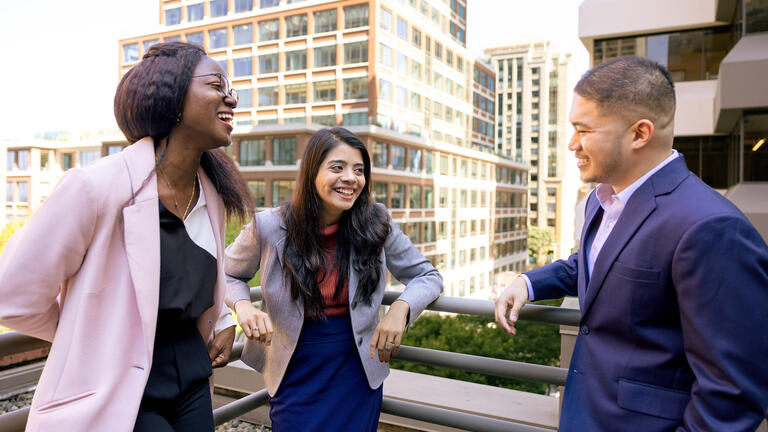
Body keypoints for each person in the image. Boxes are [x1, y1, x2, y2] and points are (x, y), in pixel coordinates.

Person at [495, 56, 768, 431]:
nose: (572, 144)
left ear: (640, 133)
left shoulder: (713, 228)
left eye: (584, 130)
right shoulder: (599, 199)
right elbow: (593, 265)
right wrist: (527, 282)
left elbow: (733, 395)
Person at [0, 42, 253, 431]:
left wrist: (222, 318)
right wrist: (97, 335)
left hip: (193, 374)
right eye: (217, 84)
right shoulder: (94, 187)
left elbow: (194, 278)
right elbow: (13, 296)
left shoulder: (213, 194)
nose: (231, 98)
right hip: (118, 385)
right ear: (171, 95)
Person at [225, 127, 443, 431]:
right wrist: (243, 307)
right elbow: (226, 272)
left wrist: (400, 308)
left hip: (357, 370)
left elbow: (428, 275)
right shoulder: (269, 225)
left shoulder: (377, 222)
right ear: (312, 172)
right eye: (337, 168)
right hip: (293, 368)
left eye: (359, 170)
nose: (351, 178)